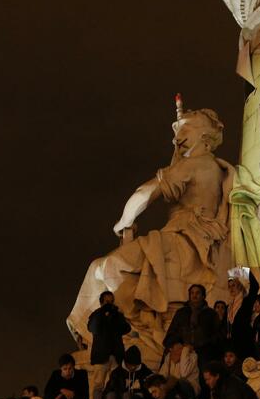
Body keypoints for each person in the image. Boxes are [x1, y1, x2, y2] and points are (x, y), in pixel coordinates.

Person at [69, 107, 235, 367]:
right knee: (104, 268)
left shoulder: (195, 164)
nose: (179, 136)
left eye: (185, 129)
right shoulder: (211, 166)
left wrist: (124, 221)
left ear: (205, 137)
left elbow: (145, 191)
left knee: (106, 266)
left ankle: (140, 331)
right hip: (184, 238)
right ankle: (137, 329)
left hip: (183, 239)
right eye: (177, 130)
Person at [87, 291, 132, 399]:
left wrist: (116, 315)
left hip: (116, 355)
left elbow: (126, 328)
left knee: (117, 383)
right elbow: (93, 328)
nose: (110, 304)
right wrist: (102, 313)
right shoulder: (96, 314)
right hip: (101, 356)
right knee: (98, 384)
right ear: (101, 303)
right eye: (107, 302)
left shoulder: (116, 315)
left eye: (112, 301)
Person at [163, 284, 220, 370]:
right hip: (182, 351)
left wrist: (199, 346)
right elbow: (172, 332)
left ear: (203, 296)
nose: (194, 295)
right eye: (192, 293)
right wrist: (177, 344)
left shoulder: (211, 314)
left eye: (197, 293)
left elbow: (216, 335)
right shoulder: (181, 312)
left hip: (203, 353)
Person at [224, 267, 260, 360]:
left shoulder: (246, 302)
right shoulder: (228, 307)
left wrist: (244, 271)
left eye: (234, 285)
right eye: (229, 286)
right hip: (232, 346)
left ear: (240, 286)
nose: (231, 288)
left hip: (245, 344)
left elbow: (255, 286)